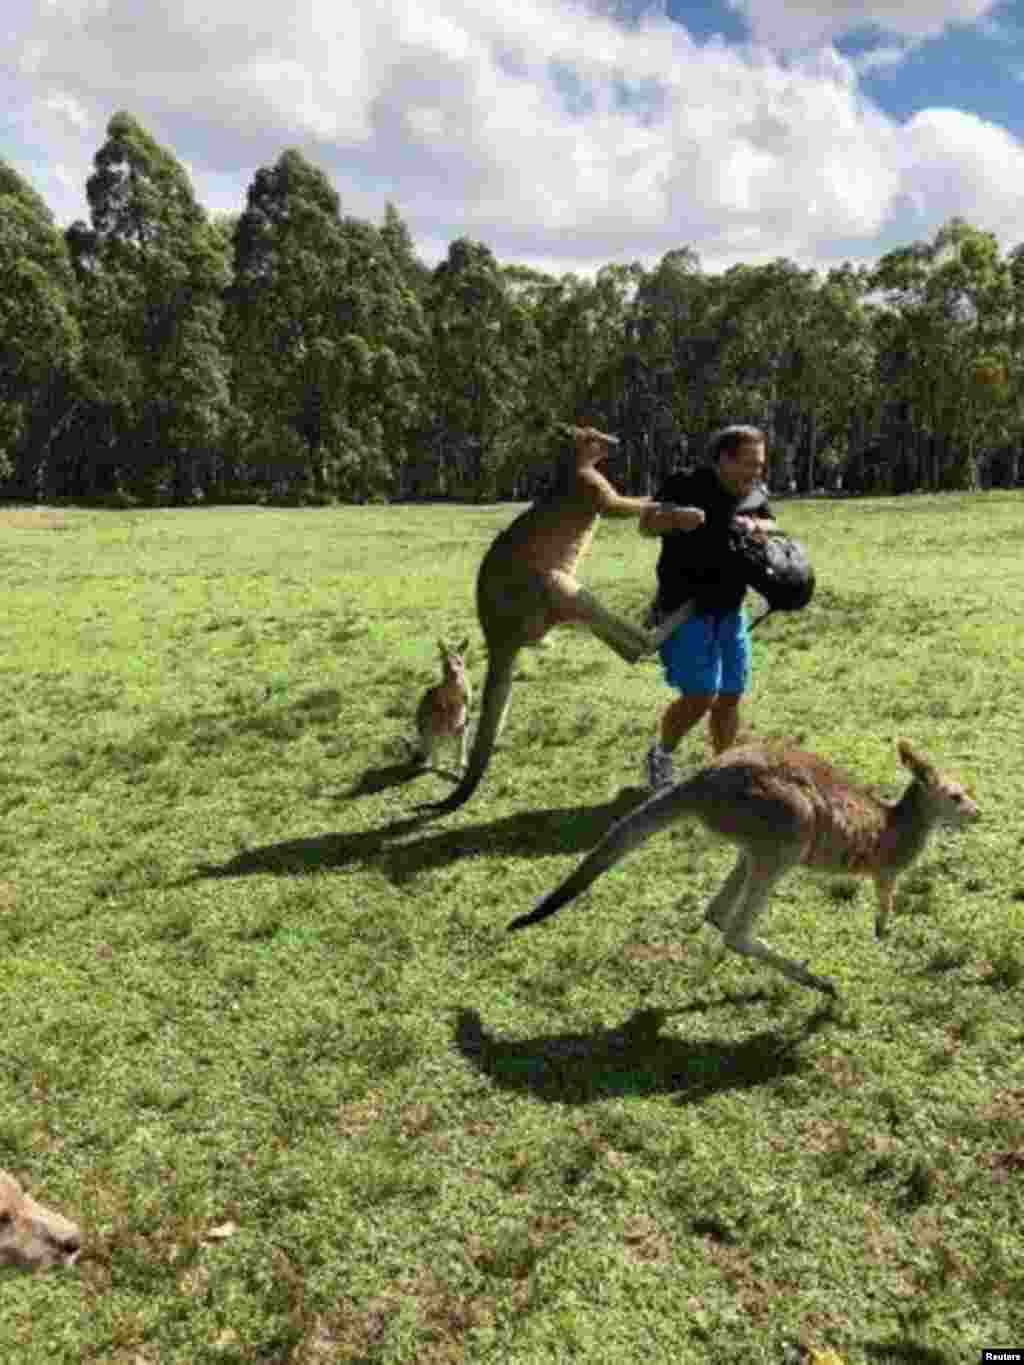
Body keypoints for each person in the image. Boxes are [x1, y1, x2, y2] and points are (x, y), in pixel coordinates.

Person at [637, 424, 776, 789]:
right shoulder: (686, 484)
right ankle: (661, 754)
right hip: (685, 608)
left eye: (759, 465)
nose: (756, 472)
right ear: (723, 459)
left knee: (730, 695)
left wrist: (758, 526)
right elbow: (646, 524)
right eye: (749, 463)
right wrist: (676, 519)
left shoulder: (752, 494)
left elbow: (772, 523)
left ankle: (722, 771)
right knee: (700, 694)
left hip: (731, 608)